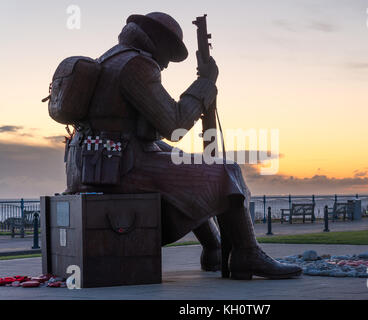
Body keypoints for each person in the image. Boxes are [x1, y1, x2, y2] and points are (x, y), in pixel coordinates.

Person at [64, 12, 302, 280]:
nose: (166, 64)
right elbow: (174, 125)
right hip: (121, 169)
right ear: (157, 41)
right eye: (169, 53)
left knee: (189, 166)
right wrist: (205, 83)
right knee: (227, 171)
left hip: (93, 164)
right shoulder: (136, 64)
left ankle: (213, 247)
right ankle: (247, 252)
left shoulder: (109, 59)